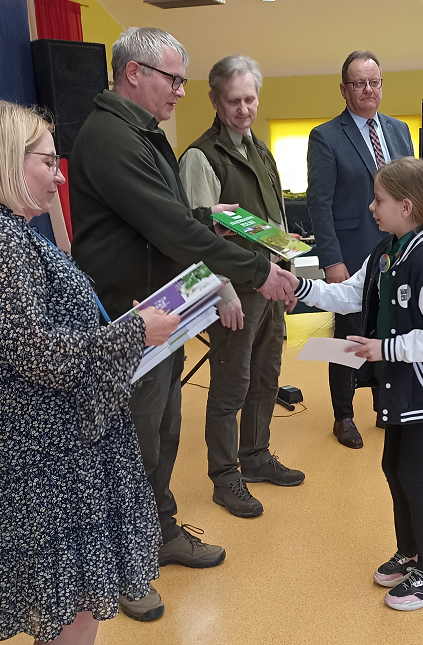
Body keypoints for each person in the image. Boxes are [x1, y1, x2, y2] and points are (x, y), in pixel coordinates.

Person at [69, 28, 294, 619]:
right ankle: (125, 568)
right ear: (134, 73)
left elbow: (164, 216)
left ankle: (160, 531)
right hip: (129, 321)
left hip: (160, 317)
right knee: (134, 442)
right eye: (173, 79)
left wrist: (201, 213)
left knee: (163, 430)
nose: (180, 90)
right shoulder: (111, 136)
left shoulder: (141, 132)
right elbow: (167, 229)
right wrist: (256, 269)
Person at [0, 100, 180, 644]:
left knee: (74, 605)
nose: (59, 175)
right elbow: (40, 355)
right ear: (6, 159)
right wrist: (133, 332)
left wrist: (127, 329)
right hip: (47, 454)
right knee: (68, 609)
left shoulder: (8, 233)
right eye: (48, 162)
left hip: (62, 446)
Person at [288, 157, 423, 611]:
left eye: (379, 200)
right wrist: (299, 287)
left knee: (413, 474)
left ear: (405, 207)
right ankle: (412, 553)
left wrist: (384, 349)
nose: (371, 207)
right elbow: (349, 293)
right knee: (394, 467)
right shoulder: (388, 251)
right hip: (402, 386)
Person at [179, 55, 305, 518]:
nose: (244, 108)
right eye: (234, 101)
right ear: (215, 100)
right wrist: (222, 291)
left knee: (266, 377)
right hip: (235, 291)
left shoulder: (261, 150)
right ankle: (225, 476)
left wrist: (287, 276)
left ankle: (255, 456)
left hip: (270, 284)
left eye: (250, 99)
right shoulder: (200, 157)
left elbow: (276, 222)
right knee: (231, 386)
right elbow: (196, 238)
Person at [307, 50, 414, 449]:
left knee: (390, 327)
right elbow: (319, 204)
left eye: (374, 82)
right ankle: (343, 415)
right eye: (359, 83)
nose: (368, 89)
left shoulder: (399, 130)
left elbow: (411, 192)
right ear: (344, 89)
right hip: (351, 255)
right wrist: (331, 261)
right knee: (348, 336)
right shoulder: (325, 136)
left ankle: (385, 406)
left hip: (397, 252)